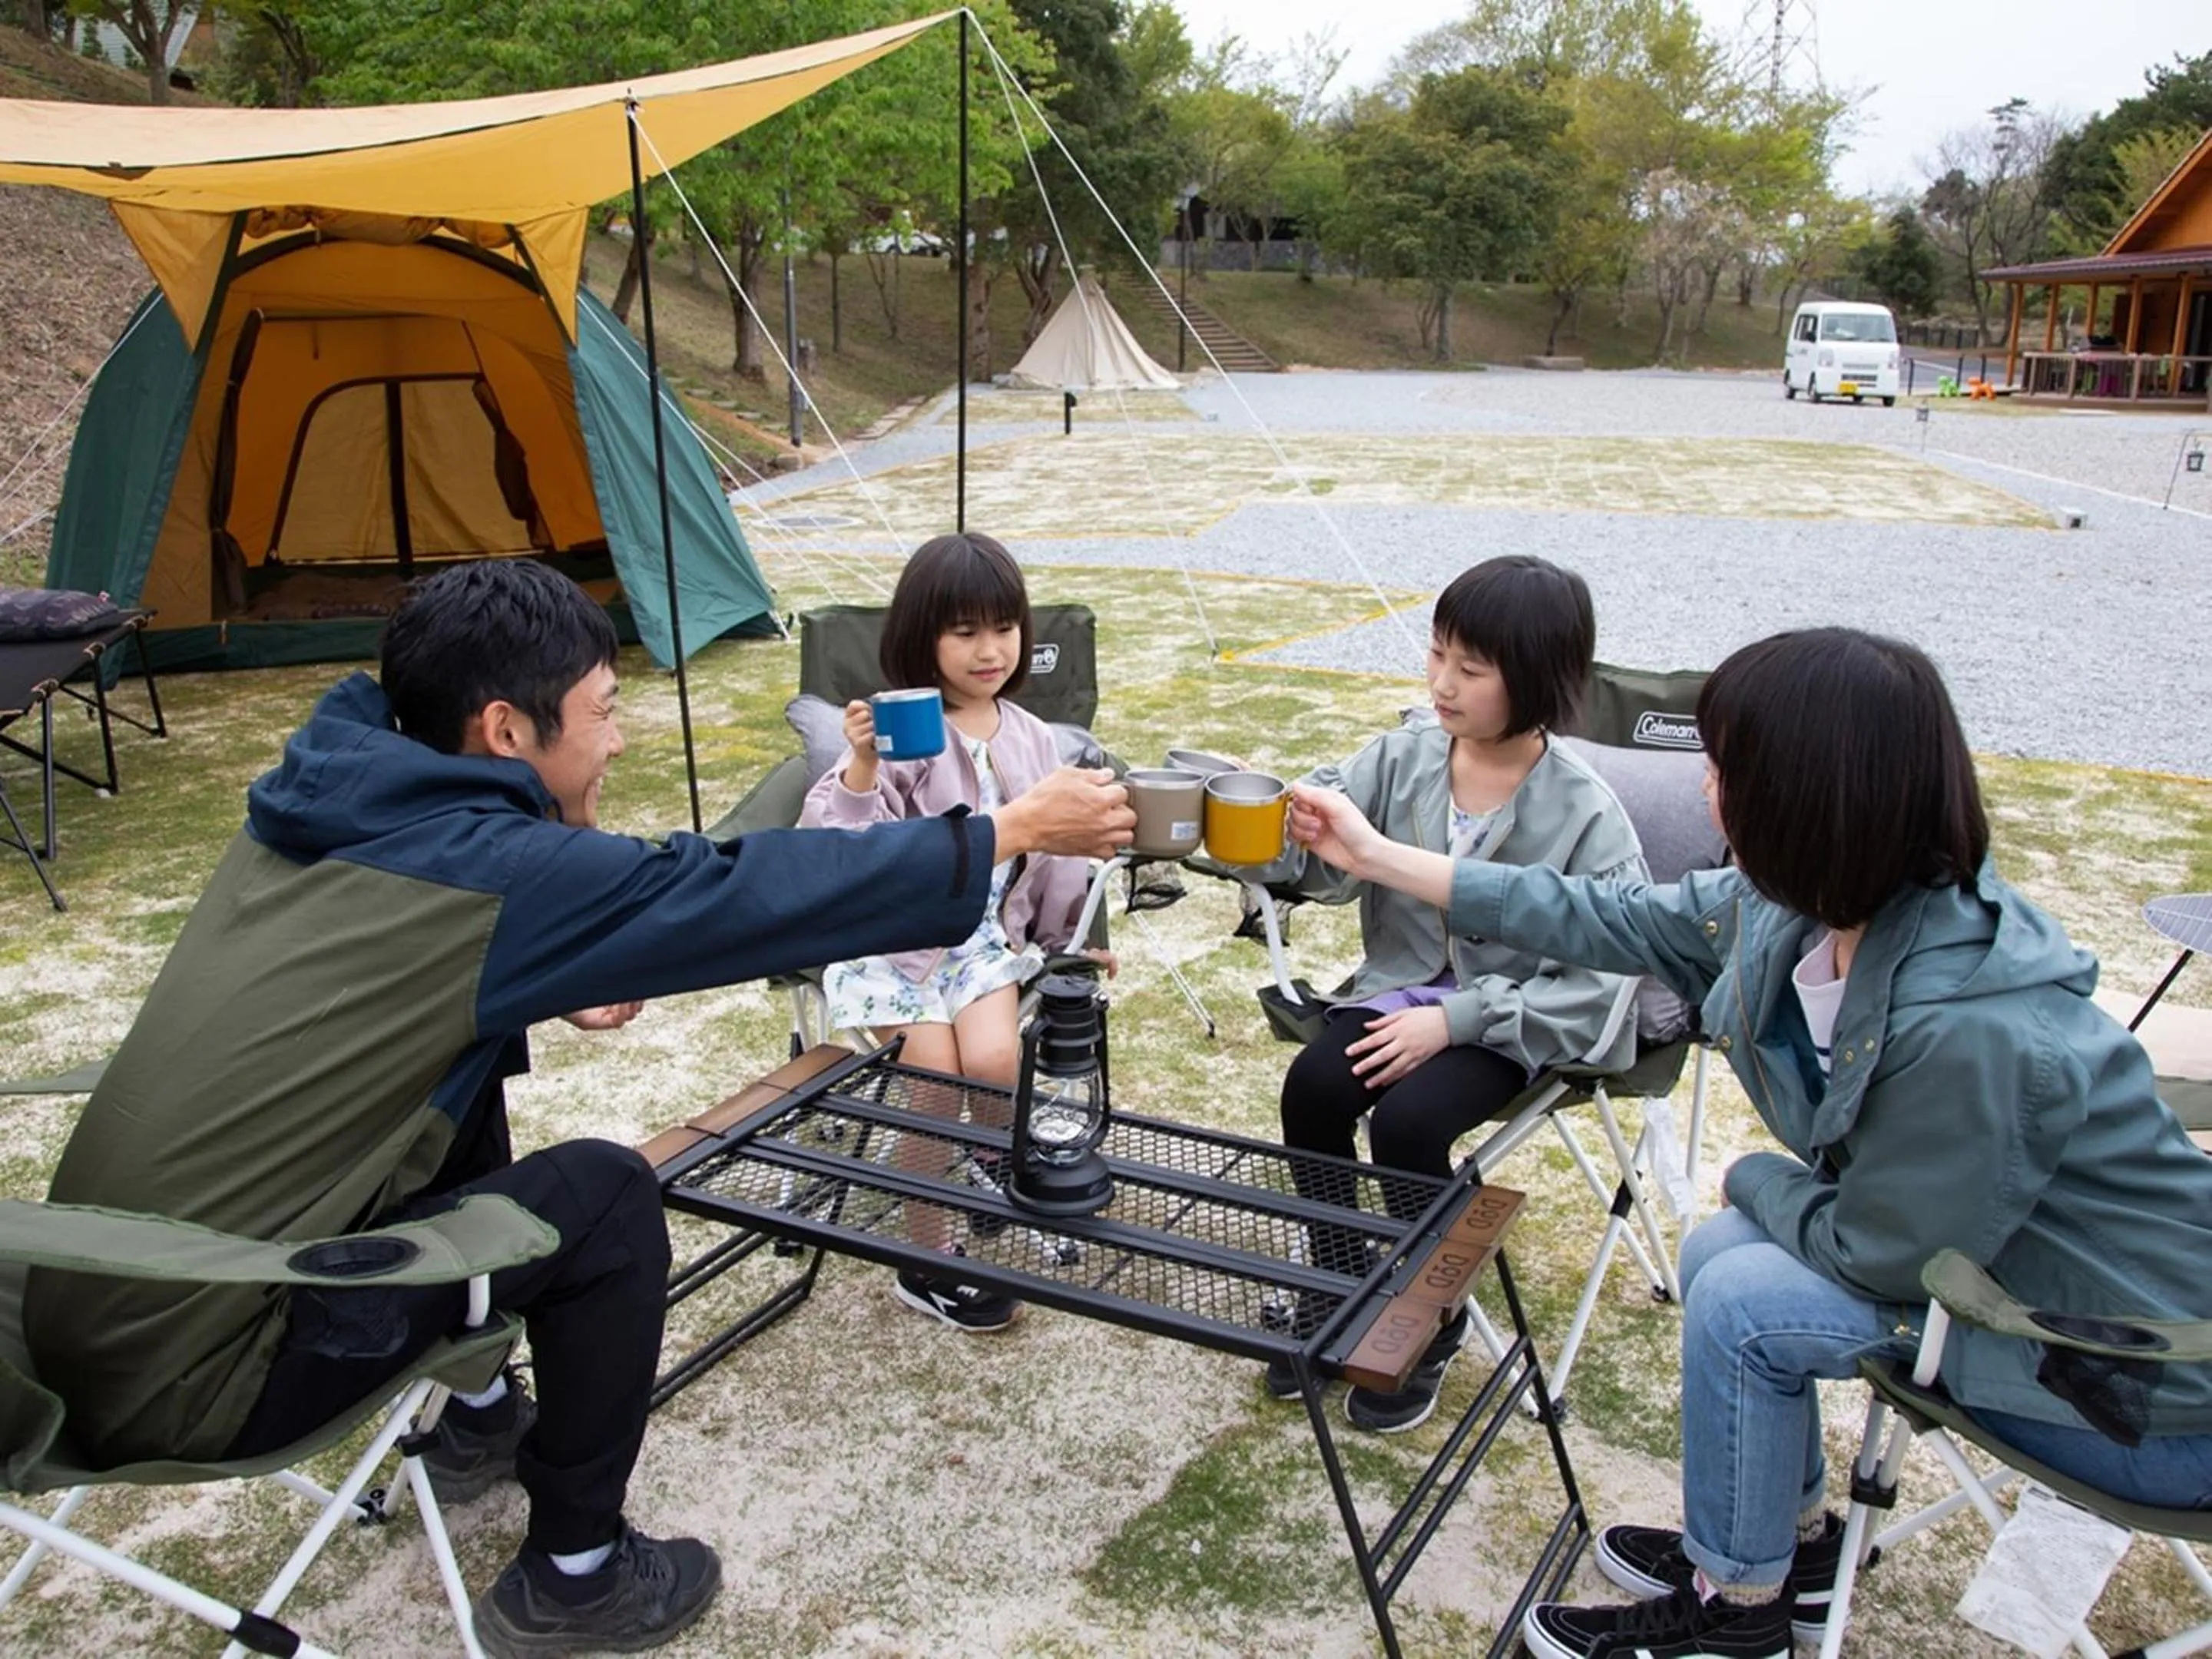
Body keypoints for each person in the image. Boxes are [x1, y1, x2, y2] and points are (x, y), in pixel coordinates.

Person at [25, 560, 1132, 1659]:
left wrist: (544, 974)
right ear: (508, 731)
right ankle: (575, 1573)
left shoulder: (334, 801)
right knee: (603, 1198)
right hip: (208, 1365)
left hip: (81, 1302)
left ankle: (470, 1419)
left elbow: (409, 988)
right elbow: (734, 889)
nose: (617, 741)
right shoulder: (494, 871)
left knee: (465, 1085)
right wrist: (1004, 833)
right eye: (604, 712)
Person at [1285, 627, 2212, 1659]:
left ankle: (1737, 1612)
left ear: (1809, 798)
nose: (1706, 790)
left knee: (1742, 1294)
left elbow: (1882, 1254)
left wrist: (1756, 1177)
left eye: (1725, 769)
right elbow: (1601, 914)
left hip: (2138, 1381)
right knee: (1721, 1258)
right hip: (2007, 1292)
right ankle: (1793, 1546)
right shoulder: (1798, 911)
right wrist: (1374, 857)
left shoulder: (1974, 1026)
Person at [1258, 555, 1645, 1433]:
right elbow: (1321, 868)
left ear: (1540, 681)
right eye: (1437, 657)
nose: (1441, 683)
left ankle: (1425, 1322)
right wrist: (1287, 829)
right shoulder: (1400, 756)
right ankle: (1333, 1279)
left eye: (1470, 670)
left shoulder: (1587, 814)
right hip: (1397, 992)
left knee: (1410, 1123)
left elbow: (1598, 987)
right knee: (1312, 1086)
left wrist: (1457, 1021)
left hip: (1512, 1018)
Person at [803, 531, 1111, 1335]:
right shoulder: (902, 730)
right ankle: (928, 1258)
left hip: (979, 941)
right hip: (888, 940)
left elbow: (1053, 854)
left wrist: (1067, 941)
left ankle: (975, 1163)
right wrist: (861, 764)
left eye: (1003, 628)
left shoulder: (1032, 735)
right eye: (964, 631)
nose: (989, 650)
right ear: (923, 636)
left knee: (998, 1058)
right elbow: (837, 846)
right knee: (936, 1079)